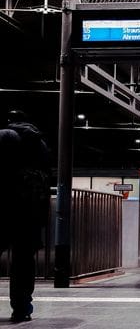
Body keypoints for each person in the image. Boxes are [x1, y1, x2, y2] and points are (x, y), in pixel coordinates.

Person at [0, 110, 51, 322]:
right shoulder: (40, 144)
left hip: (3, 206)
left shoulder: (3, 136)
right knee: (23, 261)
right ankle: (22, 307)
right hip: (30, 211)